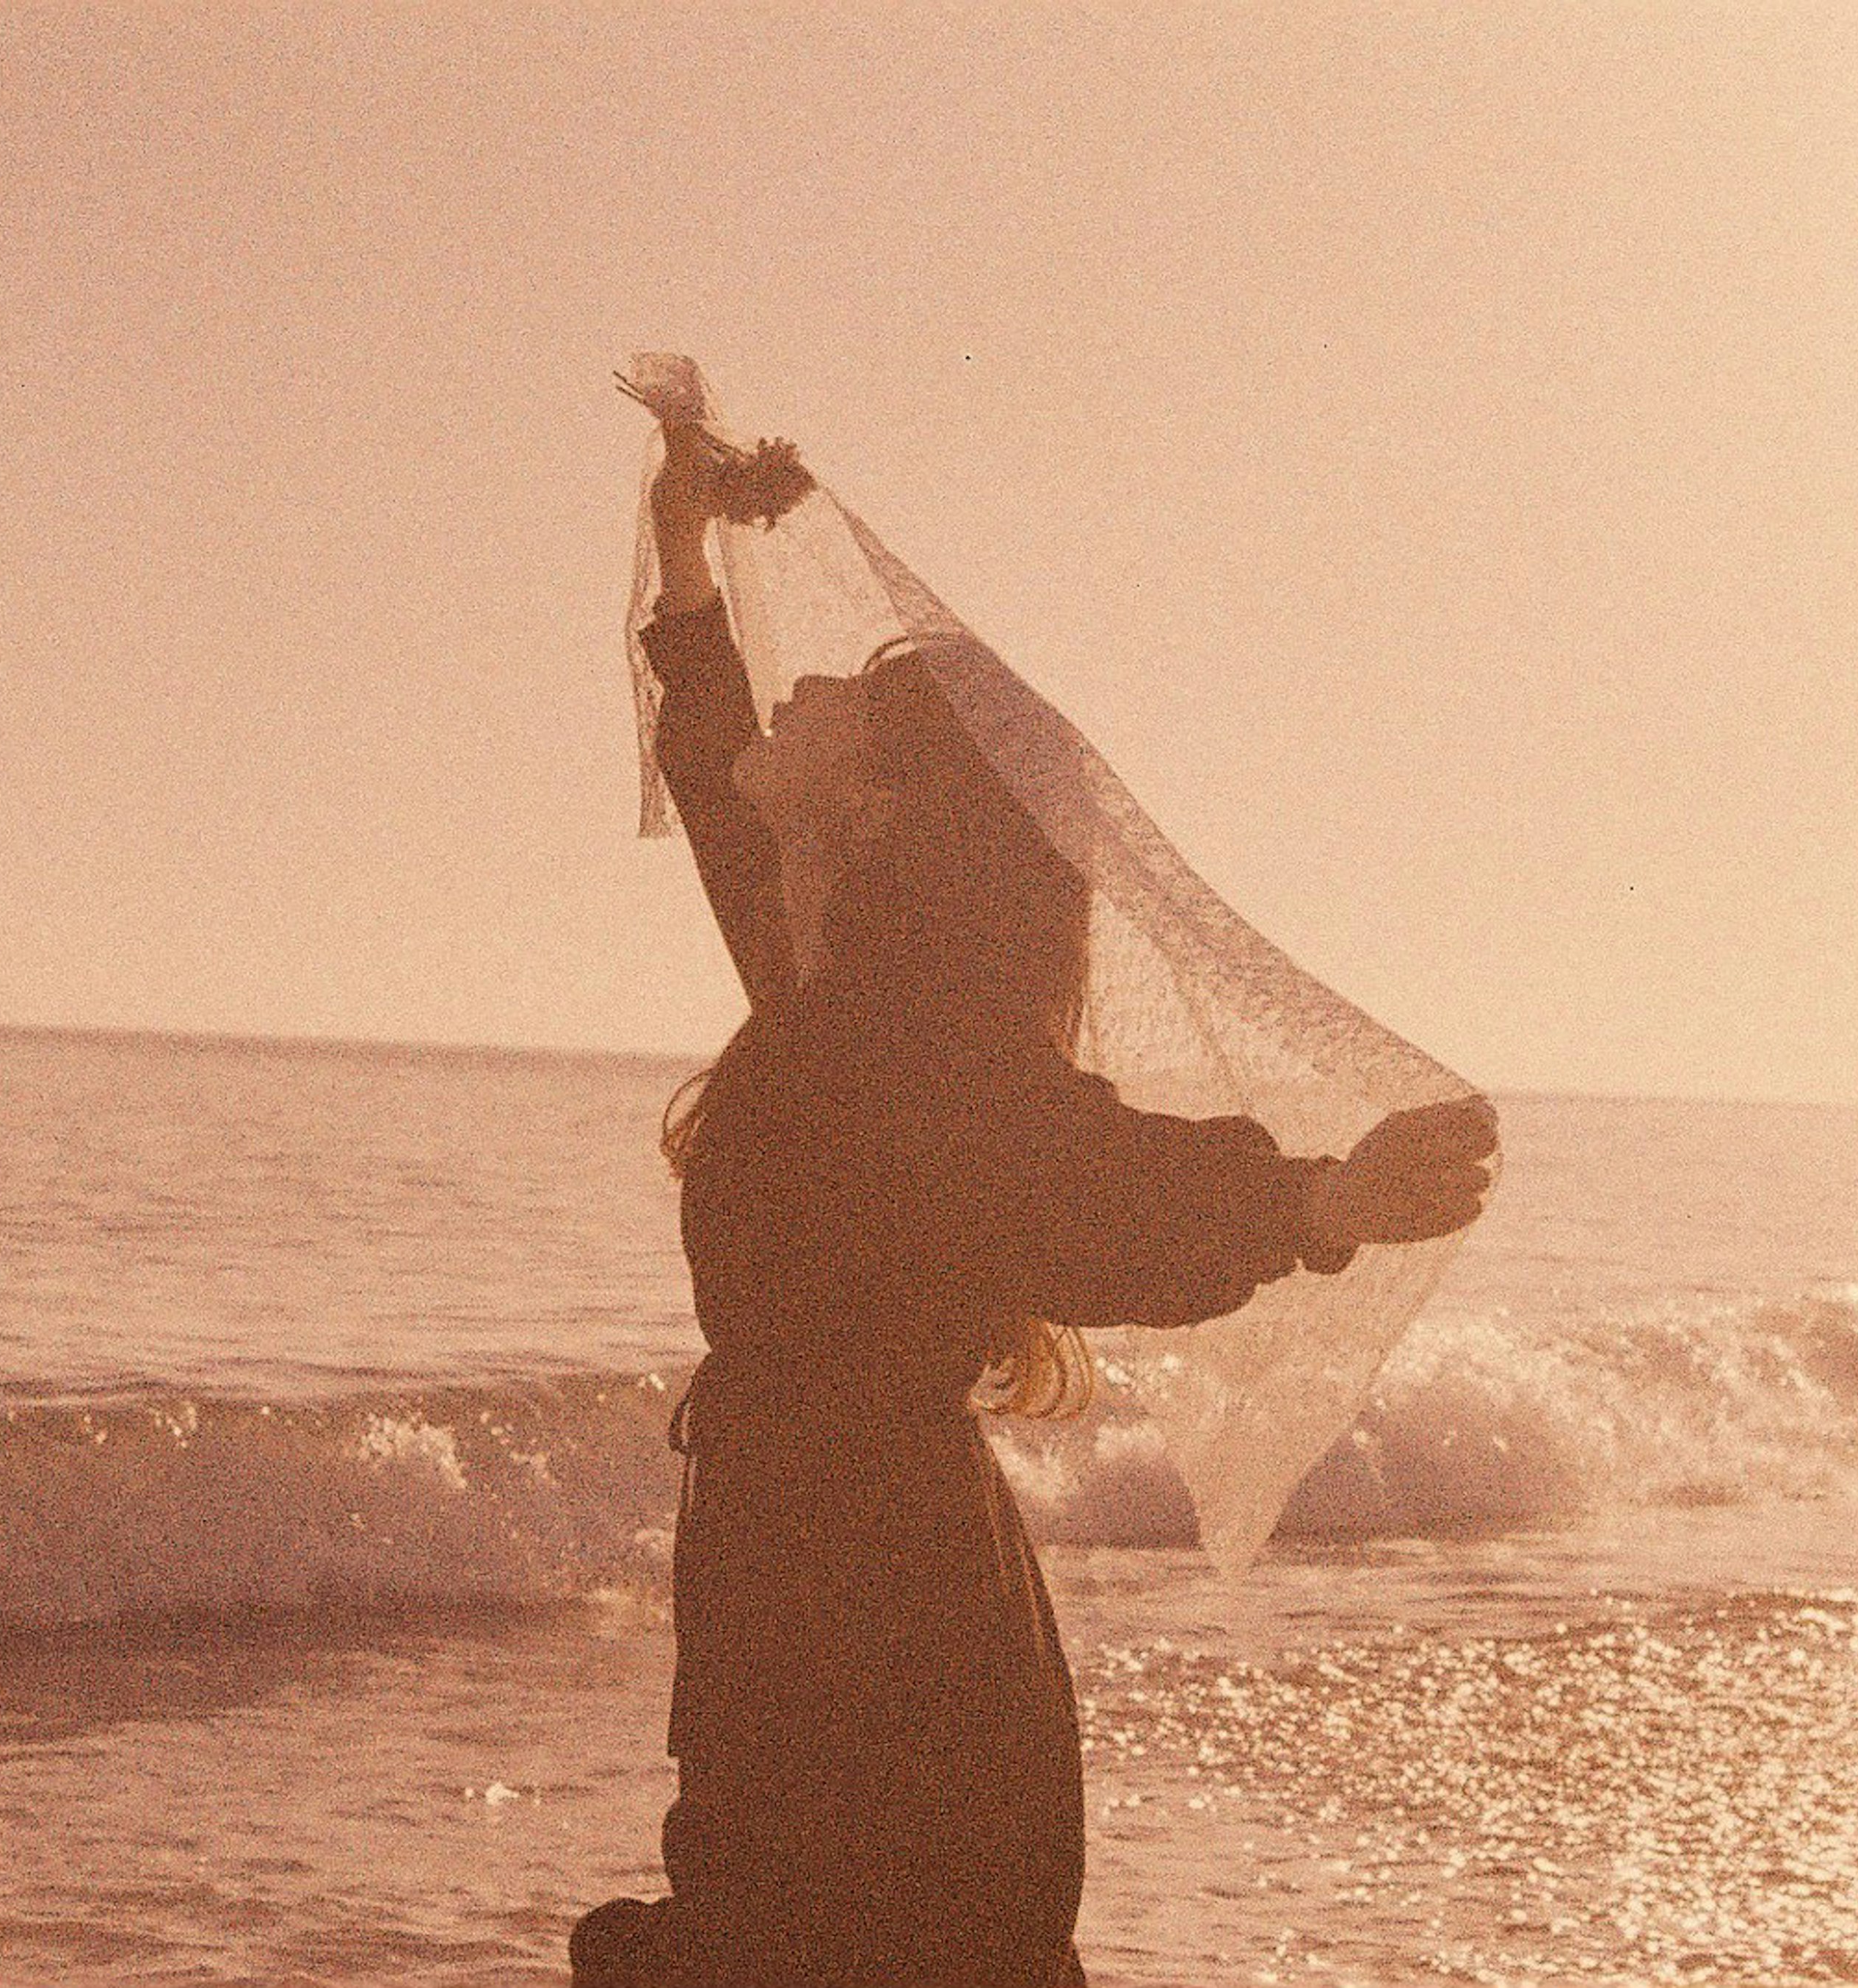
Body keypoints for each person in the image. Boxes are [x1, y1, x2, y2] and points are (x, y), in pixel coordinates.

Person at [573, 424, 1495, 1987]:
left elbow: (1100, 1193)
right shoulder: (836, 991)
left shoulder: (910, 1034)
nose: (807, 707)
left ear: (887, 814)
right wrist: (681, 549)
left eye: (848, 713)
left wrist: (1322, 1196)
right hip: (814, 1561)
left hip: (870, 1600)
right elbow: (720, 762)